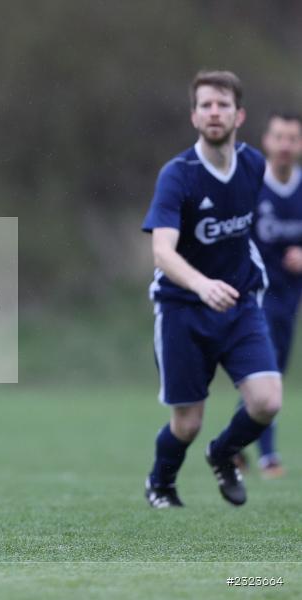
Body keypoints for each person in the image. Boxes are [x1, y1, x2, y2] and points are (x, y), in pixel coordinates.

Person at [141, 70, 282, 508]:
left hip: (240, 304)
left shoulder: (255, 165)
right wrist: (202, 285)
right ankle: (161, 483)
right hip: (183, 307)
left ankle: (223, 454)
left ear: (239, 115)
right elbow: (162, 252)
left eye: (222, 104)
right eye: (206, 105)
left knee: (266, 402)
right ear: (194, 116)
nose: (214, 112)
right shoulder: (178, 175)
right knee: (187, 423)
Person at [233, 112, 302, 478]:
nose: (286, 145)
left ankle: (234, 443)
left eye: (293, 138)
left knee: (270, 374)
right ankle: (268, 456)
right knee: (269, 372)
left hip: (291, 299)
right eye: (280, 137)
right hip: (257, 296)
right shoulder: (252, 186)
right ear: (267, 141)